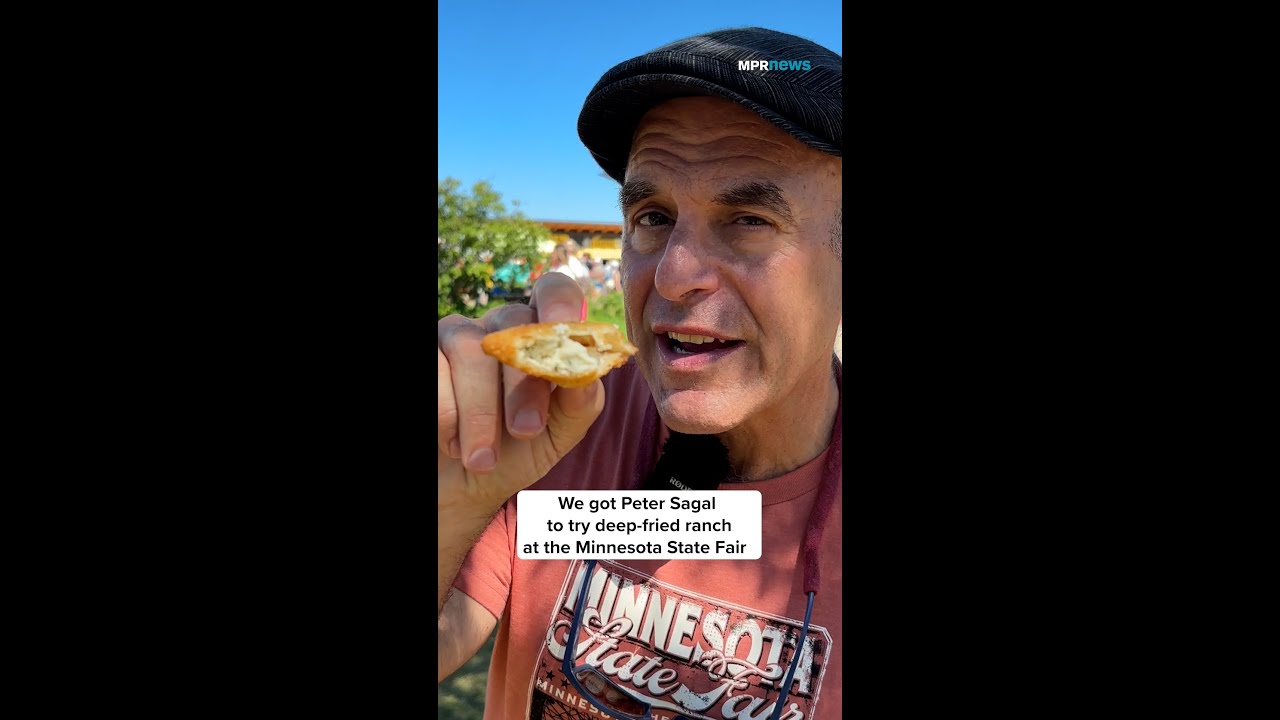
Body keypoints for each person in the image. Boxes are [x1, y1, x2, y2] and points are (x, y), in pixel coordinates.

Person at [438, 27, 842, 720]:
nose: (674, 274)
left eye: (748, 219)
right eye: (652, 216)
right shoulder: (563, 425)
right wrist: (457, 495)